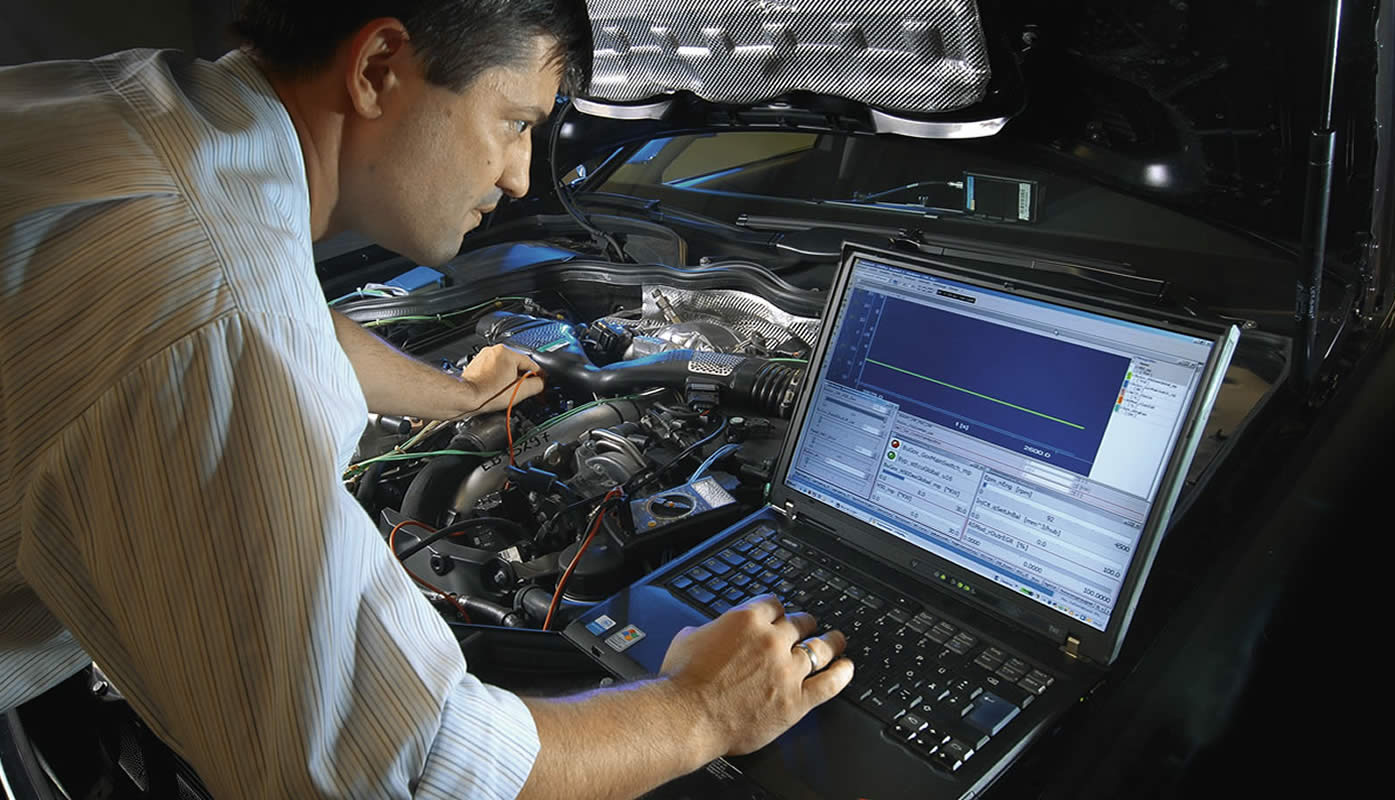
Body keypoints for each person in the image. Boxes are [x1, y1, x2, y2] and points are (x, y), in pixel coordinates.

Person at [0, 1, 853, 798]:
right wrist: (703, 708)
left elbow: (290, 317)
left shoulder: (128, 112)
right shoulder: (208, 300)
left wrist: (459, 393)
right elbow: (394, 769)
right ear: (376, 67)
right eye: (515, 122)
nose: (523, 177)